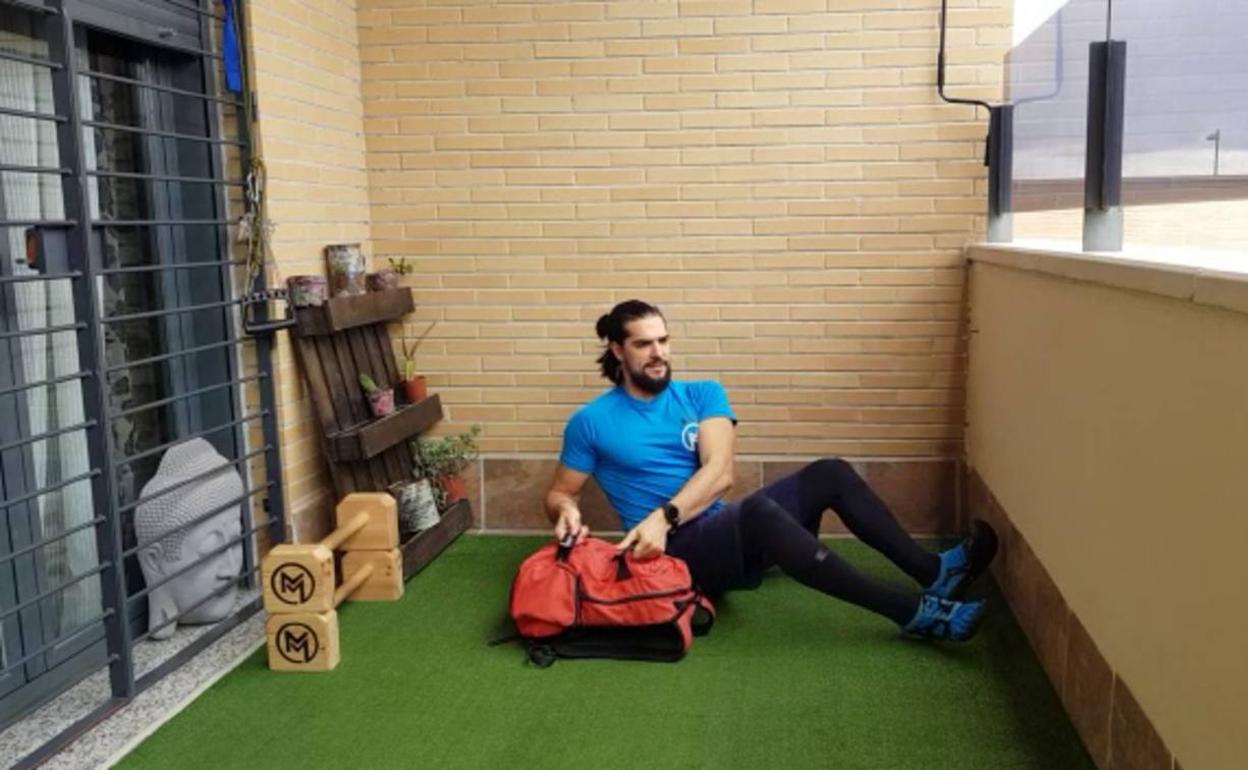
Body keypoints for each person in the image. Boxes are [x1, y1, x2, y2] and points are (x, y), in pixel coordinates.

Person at [543, 300, 998, 642]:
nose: (658, 352)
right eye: (643, 344)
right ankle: (918, 614)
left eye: (663, 340)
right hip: (672, 556)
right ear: (617, 349)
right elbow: (561, 492)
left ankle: (933, 572)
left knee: (831, 473)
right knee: (759, 513)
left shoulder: (702, 393)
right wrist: (565, 510)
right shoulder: (591, 422)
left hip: (709, 529)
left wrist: (664, 515)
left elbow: (720, 472)